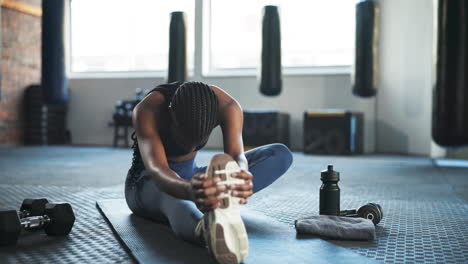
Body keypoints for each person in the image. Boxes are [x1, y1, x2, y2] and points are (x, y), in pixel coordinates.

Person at [125, 81, 293, 263]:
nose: (190, 146)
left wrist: (240, 177)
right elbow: (159, 172)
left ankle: (214, 200)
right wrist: (189, 190)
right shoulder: (148, 110)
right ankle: (207, 230)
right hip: (149, 185)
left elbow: (236, 155)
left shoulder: (227, 106)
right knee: (174, 199)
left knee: (279, 154)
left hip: (192, 178)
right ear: (172, 115)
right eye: (184, 139)